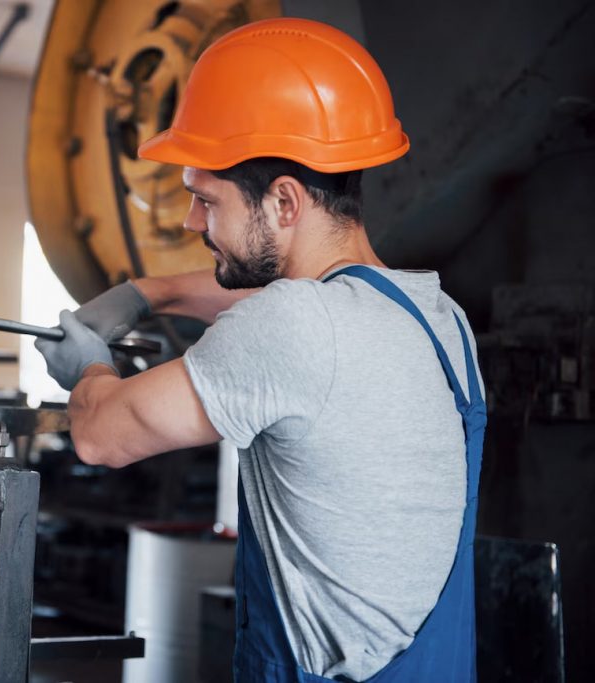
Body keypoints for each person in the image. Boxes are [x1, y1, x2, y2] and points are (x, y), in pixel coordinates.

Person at [34, 17, 486, 683]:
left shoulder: (296, 328)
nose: (192, 222)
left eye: (205, 200)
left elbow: (103, 435)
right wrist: (148, 292)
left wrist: (87, 364)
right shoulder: (438, 318)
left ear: (283, 202)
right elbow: (289, 318)